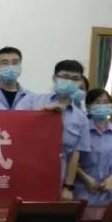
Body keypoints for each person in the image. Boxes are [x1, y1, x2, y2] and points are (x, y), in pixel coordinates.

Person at [15, 60, 92, 199]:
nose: (70, 82)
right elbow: (13, 126)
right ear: (54, 78)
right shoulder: (32, 100)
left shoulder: (81, 118)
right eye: (65, 77)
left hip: (57, 181)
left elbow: (75, 155)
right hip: (24, 174)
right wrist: (41, 113)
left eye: (75, 78)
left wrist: (68, 187)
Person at [75, 89, 112, 205]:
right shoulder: (81, 131)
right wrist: (86, 179)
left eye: (106, 102)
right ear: (89, 106)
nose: (102, 105)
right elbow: (70, 160)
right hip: (83, 192)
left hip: (110, 194)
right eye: (98, 102)